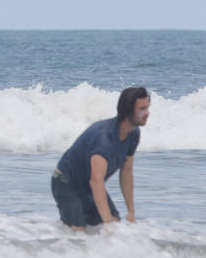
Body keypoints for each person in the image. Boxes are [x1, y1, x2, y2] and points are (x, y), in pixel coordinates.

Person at [51, 86, 150, 231]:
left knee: (115, 224)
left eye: (147, 108)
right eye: (141, 109)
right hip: (66, 183)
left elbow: (126, 172)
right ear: (127, 110)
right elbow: (96, 181)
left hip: (88, 185)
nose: (147, 113)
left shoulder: (133, 134)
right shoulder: (104, 138)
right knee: (79, 233)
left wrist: (131, 212)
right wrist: (106, 221)